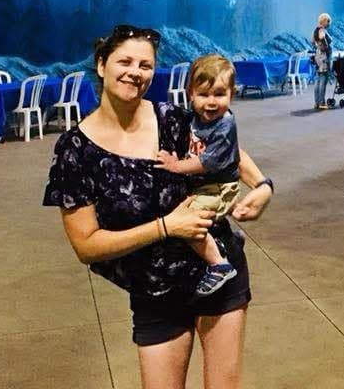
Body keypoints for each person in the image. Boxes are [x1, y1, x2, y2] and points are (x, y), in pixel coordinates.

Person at [44, 24, 273, 389]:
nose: (135, 72)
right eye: (125, 61)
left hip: (218, 272)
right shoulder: (76, 150)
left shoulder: (171, 118)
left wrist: (262, 185)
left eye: (145, 65)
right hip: (154, 290)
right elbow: (86, 245)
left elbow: (222, 150)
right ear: (101, 64)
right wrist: (167, 226)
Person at [155, 55, 242, 298]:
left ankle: (218, 264)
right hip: (207, 186)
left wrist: (175, 166)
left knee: (188, 222)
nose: (211, 102)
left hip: (219, 187)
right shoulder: (197, 118)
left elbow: (208, 161)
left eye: (220, 94)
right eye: (204, 95)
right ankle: (224, 238)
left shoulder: (224, 125)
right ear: (190, 94)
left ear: (231, 94)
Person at [312, 12, 332, 110]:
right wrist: (325, 46)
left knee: (318, 80)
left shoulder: (315, 30)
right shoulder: (321, 30)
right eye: (328, 21)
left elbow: (312, 41)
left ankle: (316, 102)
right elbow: (321, 39)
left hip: (318, 56)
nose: (329, 23)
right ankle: (321, 103)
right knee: (323, 81)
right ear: (323, 21)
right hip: (323, 57)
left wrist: (318, 45)